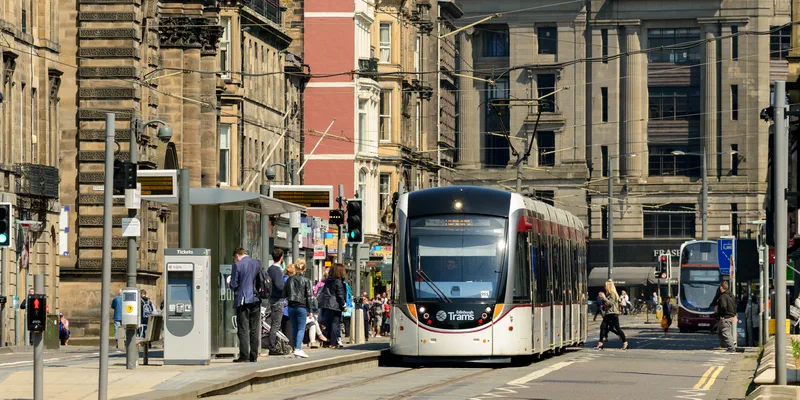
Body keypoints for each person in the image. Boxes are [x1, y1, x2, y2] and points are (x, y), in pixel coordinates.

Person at [230, 247, 262, 363]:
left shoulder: (237, 265)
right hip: (256, 299)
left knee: (243, 329)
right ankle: (254, 355)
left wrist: (230, 284)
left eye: (235, 258)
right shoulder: (257, 263)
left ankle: (244, 356)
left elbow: (234, 284)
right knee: (254, 329)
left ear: (237, 256)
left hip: (243, 299)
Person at [284, 260, 313, 358]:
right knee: (301, 328)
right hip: (301, 306)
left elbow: (284, 294)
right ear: (304, 269)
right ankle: (298, 349)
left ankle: (295, 347)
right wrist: (310, 310)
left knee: (295, 327)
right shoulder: (306, 280)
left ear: (295, 268)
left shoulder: (289, 280)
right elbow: (309, 296)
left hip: (291, 306)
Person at [318, 263, 346, 348]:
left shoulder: (328, 280)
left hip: (326, 304)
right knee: (335, 323)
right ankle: (333, 343)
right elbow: (340, 295)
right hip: (335, 305)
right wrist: (343, 305)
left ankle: (327, 341)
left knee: (328, 323)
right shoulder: (339, 281)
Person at [595, 280, 628, 350]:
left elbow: (611, 303)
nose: (604, 287)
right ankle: (600, 342)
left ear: (609, 286)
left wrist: (604, 298)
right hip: (608, 313)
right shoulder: (609, 294)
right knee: (603, 327)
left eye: (605, 286)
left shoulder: (612, 293)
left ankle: (625, 342)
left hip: (613, 313)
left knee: (617, 328)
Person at [266, 249, 286, 355]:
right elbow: (279, 286)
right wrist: (285, 290)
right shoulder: (277, 270)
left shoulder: (270, 269)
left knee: (276, 323)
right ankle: (272, 347)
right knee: (276, 324)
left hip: (272, 298)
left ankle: (279, 345)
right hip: (278, 299)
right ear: (281, 258)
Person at [715, 281, 737, 352]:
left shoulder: (723, 296)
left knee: (725, 331)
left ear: (721, 288)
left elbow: (723, 306)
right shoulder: (731, 295)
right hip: (731, 315)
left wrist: (722, 315)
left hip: (726, 316)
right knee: (720, 331)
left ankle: (731, 347)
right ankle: (727, 343)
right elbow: (735, 305)